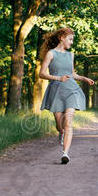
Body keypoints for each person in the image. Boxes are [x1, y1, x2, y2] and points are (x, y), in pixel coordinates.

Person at [39, 27, 94, 164]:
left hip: (71, 90)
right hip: (56, 90)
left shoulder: (71, 55)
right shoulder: (51, 54)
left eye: (72, 40)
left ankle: (65, 153)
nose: (71, 42)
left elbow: (71, 74)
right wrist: (58, 78)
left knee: (68, 121)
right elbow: (42, 73)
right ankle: (61, 132)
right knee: (60, 124)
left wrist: (83, 78)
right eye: (70, 39)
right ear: (62, 38)